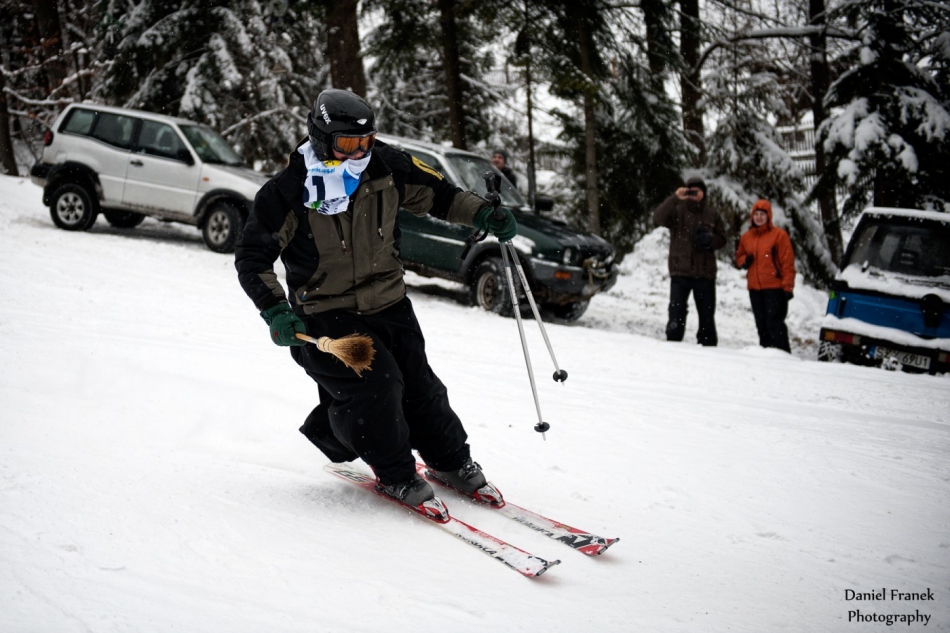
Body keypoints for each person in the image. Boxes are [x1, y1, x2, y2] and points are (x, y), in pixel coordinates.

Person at [235, 89, 517, 510]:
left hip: (388, 300)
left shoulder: (387, 165)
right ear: (321, 136)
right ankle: (396, 474)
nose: (359, 152)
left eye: (366, 141)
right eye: (348, 143)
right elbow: (253, 256)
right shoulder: (288, 190)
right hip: (325, 313)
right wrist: (275, 309)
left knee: (419, 383)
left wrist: (481, 214)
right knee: (378, 386)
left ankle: (450, 461)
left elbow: (440, 195)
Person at [651, 177, 727, 346]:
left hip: (705, 273)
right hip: (681, 271)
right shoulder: (677, 211)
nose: (694, 194)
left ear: (704, 193)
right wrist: (675, 198)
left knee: (707, 315)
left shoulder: (712, 214)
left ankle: (708, 346)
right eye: (690, 190)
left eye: (697, 191)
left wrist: (709, 240)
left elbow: (723, 239)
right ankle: (673, 341)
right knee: (676, 311)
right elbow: (657, 217)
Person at [735, 199, 796, 352]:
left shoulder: (779, 236)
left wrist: (788, 286)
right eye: (756, 214)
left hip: (774, 288)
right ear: (752, 216)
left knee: (774, 324)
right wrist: (745, 261)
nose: (759, 217)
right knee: (761, 325)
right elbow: (739, 257)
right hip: (755, 289)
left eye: (762, 214)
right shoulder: (747, 237)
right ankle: (766, 357)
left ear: (768, 216)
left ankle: (783, 355)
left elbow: (787, 262)